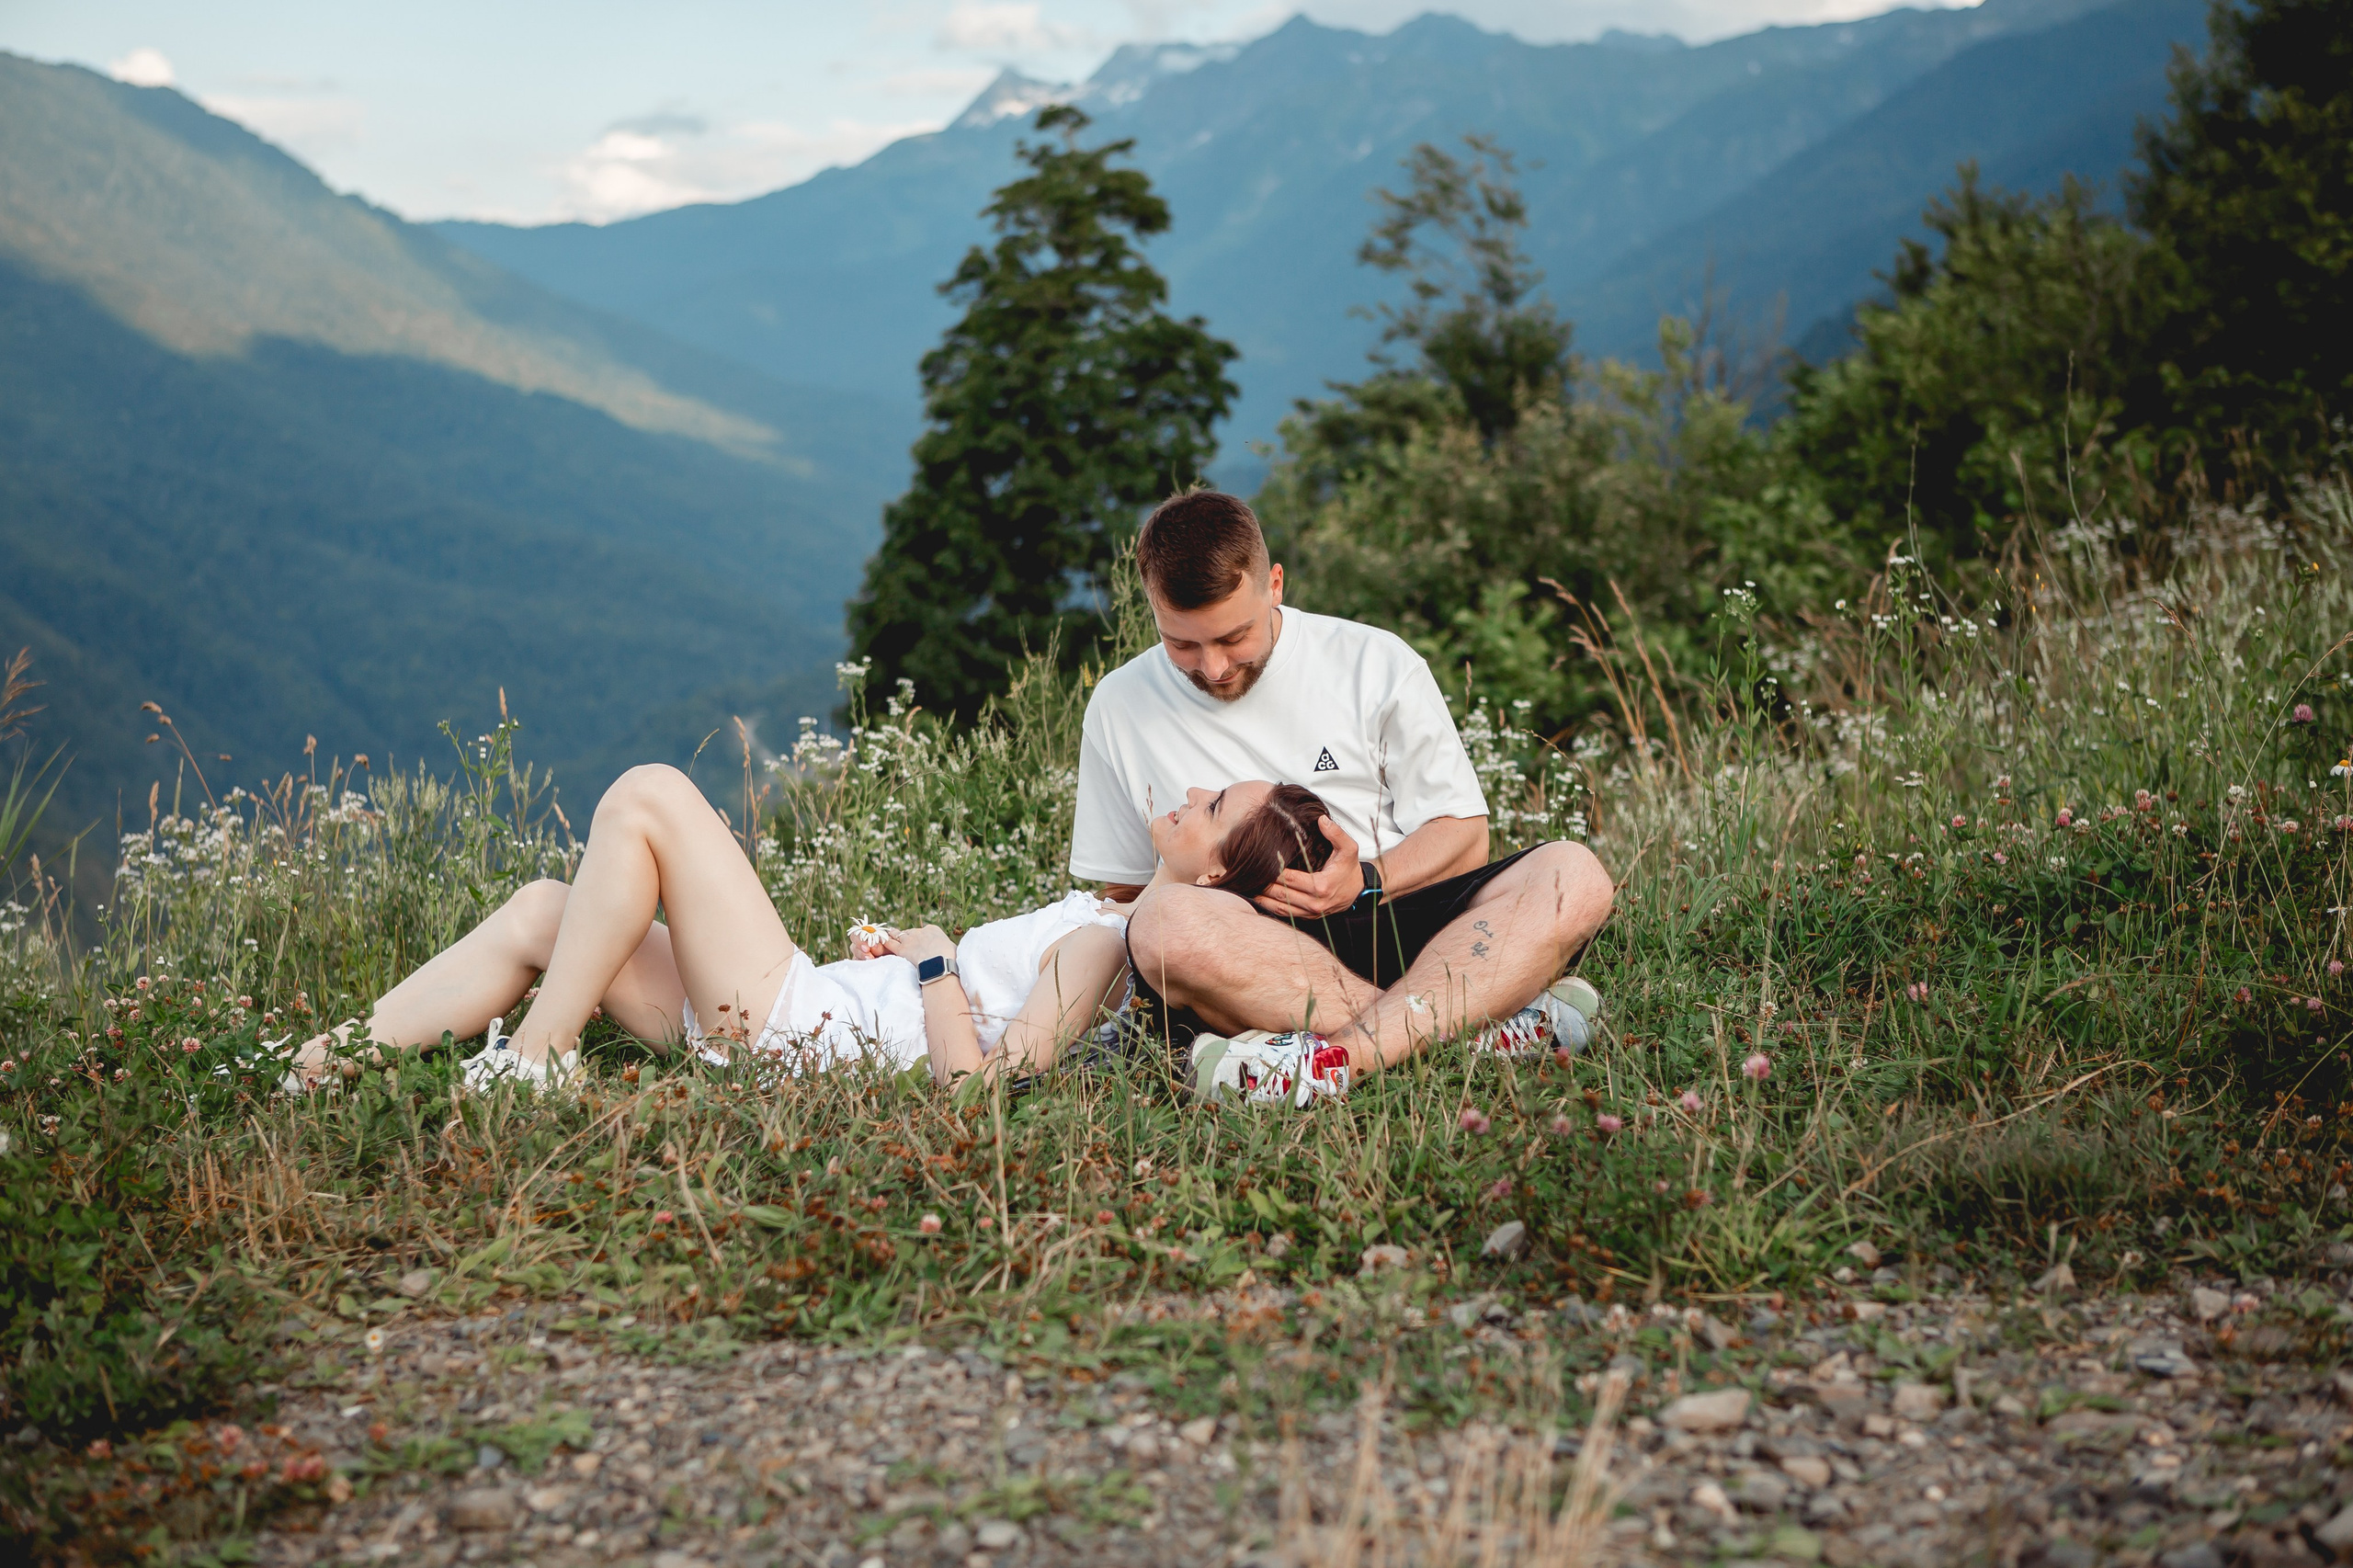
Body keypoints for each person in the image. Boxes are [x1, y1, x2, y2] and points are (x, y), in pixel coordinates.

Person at [285, 761, 1336, 1092]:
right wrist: (917, 963)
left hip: (794, 1028)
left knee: (650, 794)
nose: (1191, 790)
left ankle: (539, 1059)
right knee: (540, 913)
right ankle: (308, 1067)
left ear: (1208, 867)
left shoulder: (1112, 945)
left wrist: (930, 957)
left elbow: (977, 1092)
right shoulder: (1103, 912)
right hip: (811, 1007)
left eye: (1211, 806)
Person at [1074, 489, 1617, 1106]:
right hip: (1245, 955)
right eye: (1183, 645)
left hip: (1394, 921)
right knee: (1164, 925)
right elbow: (1119, 896)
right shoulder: (1118, 705)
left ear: (1274, 584)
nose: (1215, 666)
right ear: (1152, 609)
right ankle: (1468, 1035)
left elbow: (1465, 837)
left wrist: (1368, 878)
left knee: (1572, 873)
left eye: (1234, 636)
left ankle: (1339, 1057)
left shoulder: (1374, 662)